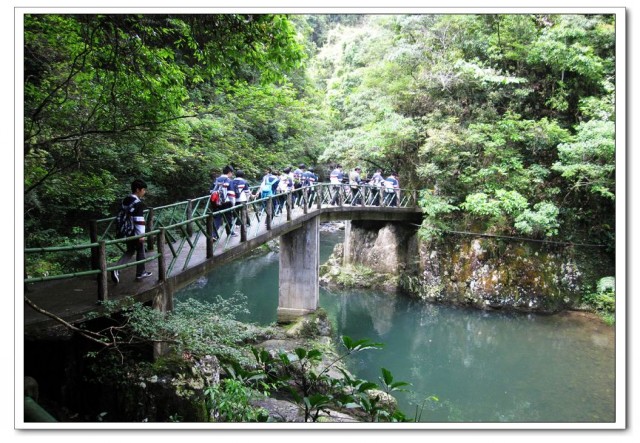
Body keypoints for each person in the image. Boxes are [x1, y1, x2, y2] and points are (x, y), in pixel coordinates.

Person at [111, 179, 152, 283]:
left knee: (131, 250)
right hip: (133, 231)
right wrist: (141, 235)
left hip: (125, 230)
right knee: (140, 249)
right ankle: (140, 273)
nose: (144, 192)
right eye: (143, 190)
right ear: (138, 190)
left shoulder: (126, 199)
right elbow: (139, 220)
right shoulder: (138, 203)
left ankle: (116, 269)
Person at [210, 165, 236, 240]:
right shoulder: (229, 180)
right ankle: (230, 233)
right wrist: (233, 204)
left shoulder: (216, 180)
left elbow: (211, 191)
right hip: (226, 202)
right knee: (228, 218)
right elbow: (231, 194)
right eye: (232, 173)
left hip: (216, 202)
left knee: (217, 218)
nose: (232, 174)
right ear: (229, 172)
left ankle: (213, 235)